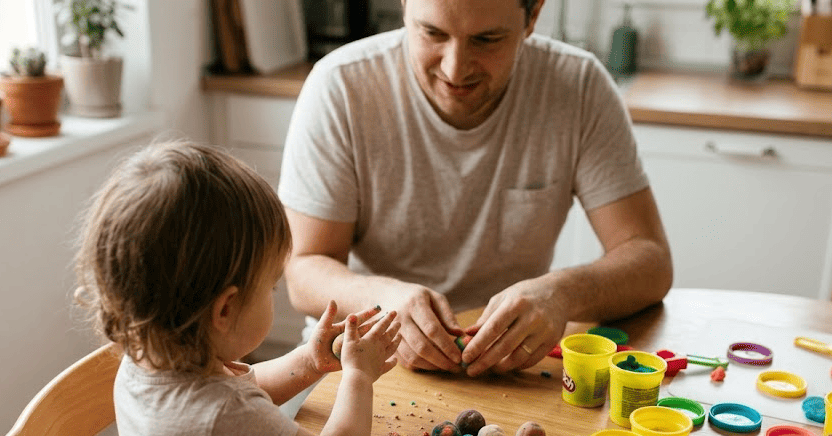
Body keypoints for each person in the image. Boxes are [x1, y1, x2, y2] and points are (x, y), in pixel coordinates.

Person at [278, 0, 673, 377]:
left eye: (486, 40)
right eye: (432, 32)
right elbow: (303, 268)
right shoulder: (341, 86)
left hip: (513, 373)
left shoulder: (580, 87)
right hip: (363, 363)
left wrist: (562, 293)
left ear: (533, 14)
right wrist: (383, 303)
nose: (455, 68)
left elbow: (650, 260)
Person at [73, 140, 401, 436]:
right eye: (270, 287)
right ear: (225, 309)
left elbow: (240, 391)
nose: (274, 294)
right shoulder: (225, 419)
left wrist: (306, 363)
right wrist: (359, 376)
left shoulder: (147, 364)